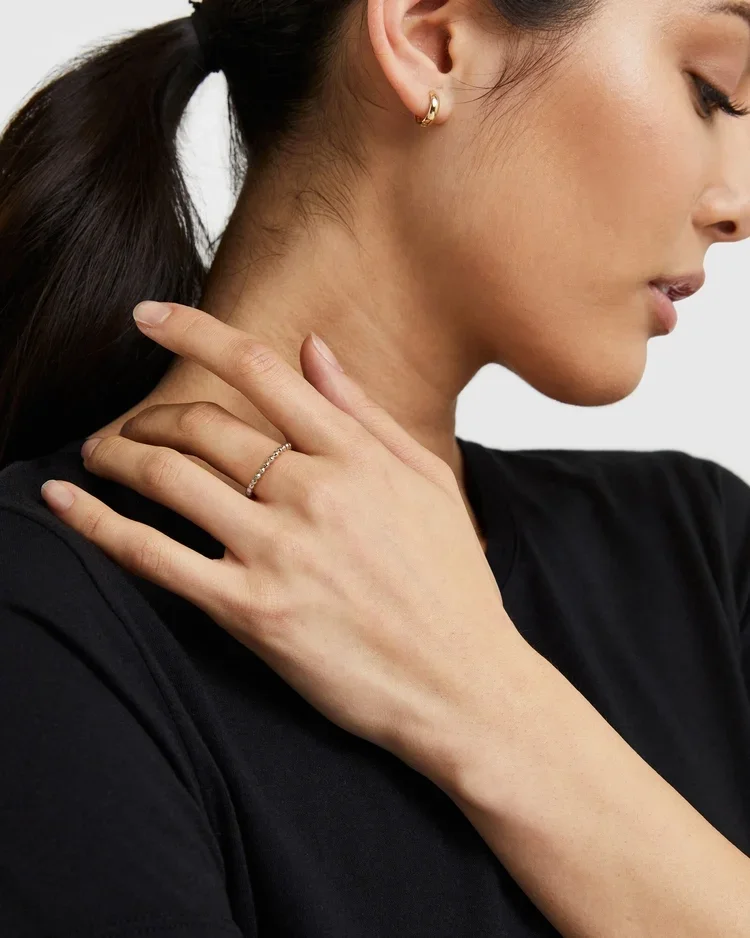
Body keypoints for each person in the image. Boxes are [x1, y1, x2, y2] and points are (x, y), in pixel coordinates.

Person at [1, 0, 750, 935]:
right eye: (711, 90)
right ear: (432, 42)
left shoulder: (701, 551)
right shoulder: (41, 616)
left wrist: (480, 690)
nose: (737, 208)